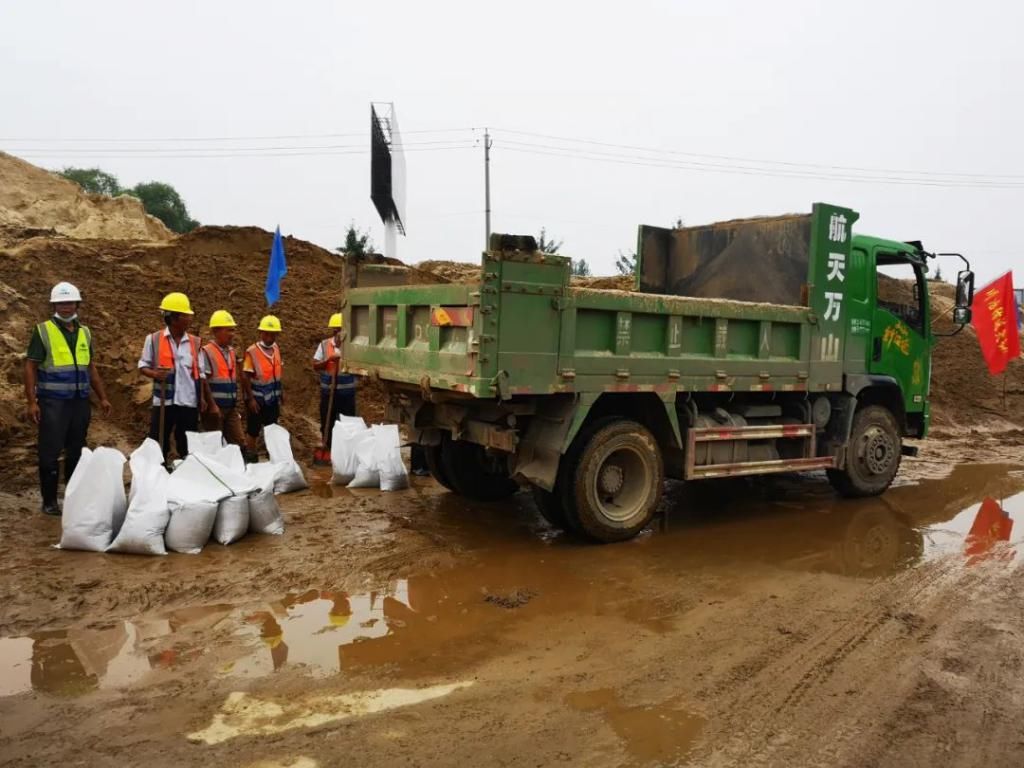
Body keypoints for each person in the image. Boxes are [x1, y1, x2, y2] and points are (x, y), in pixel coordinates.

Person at [23, 282, 112, 515]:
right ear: (54, 305)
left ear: (77, 304)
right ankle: (50, 502)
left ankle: (72, 497)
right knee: (50, 450)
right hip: (53, 402)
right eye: (61, 303)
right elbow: (30, 366)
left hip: (79, 402)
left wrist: (102, 397)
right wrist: (32, 401)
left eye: (69, 302)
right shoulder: (43, 331)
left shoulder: (85, 332)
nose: (65, 307)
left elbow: (90, 368)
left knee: (76, 449)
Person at [138, 292, 204, 460]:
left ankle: (187, 471)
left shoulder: (195, 343)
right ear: (173, 318)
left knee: (187, 442)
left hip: (188, 401)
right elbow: (143, 366)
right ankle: (160, 471)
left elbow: (200, 374)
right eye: (186, 315)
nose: (190, 318)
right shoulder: (153, 340)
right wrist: (155, 374)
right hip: (163, 401)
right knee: (159, 441)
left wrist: (202, 398)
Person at [200, 310, 244, 446]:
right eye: (229, 330)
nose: (232, 334)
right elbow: (203, 381)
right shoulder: (207, 351)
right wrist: (212, 405)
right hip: (215, 408)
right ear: (217, 331)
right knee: (215, 445)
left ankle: (239, 466)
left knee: (239, 442)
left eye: (233, 330)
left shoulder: (231, 351)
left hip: (230, 407)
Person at [311, 312, 357, 448]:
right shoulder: (324, 345)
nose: (339, 333)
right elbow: (315, 365)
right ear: (333, 330)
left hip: (347, 395)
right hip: (328, 393)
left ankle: (345, 452)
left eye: (341, 330)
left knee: (348, 426)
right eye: (336, 330)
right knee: (327, 423)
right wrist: (328, 360)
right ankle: (328, 448)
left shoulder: (352, 346)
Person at [242, 314, 284, 460]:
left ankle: (272, 456)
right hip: (257, 400)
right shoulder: (252, 351)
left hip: (272, 399)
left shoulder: (276, 349)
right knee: (253, 430)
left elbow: (277, 373)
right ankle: (251, 457)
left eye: (273, 334)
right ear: (261, 333)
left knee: (272, 429)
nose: (269, 336)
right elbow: (245, 376)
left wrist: (280, 394)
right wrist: (251, 399)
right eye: (266, 333)